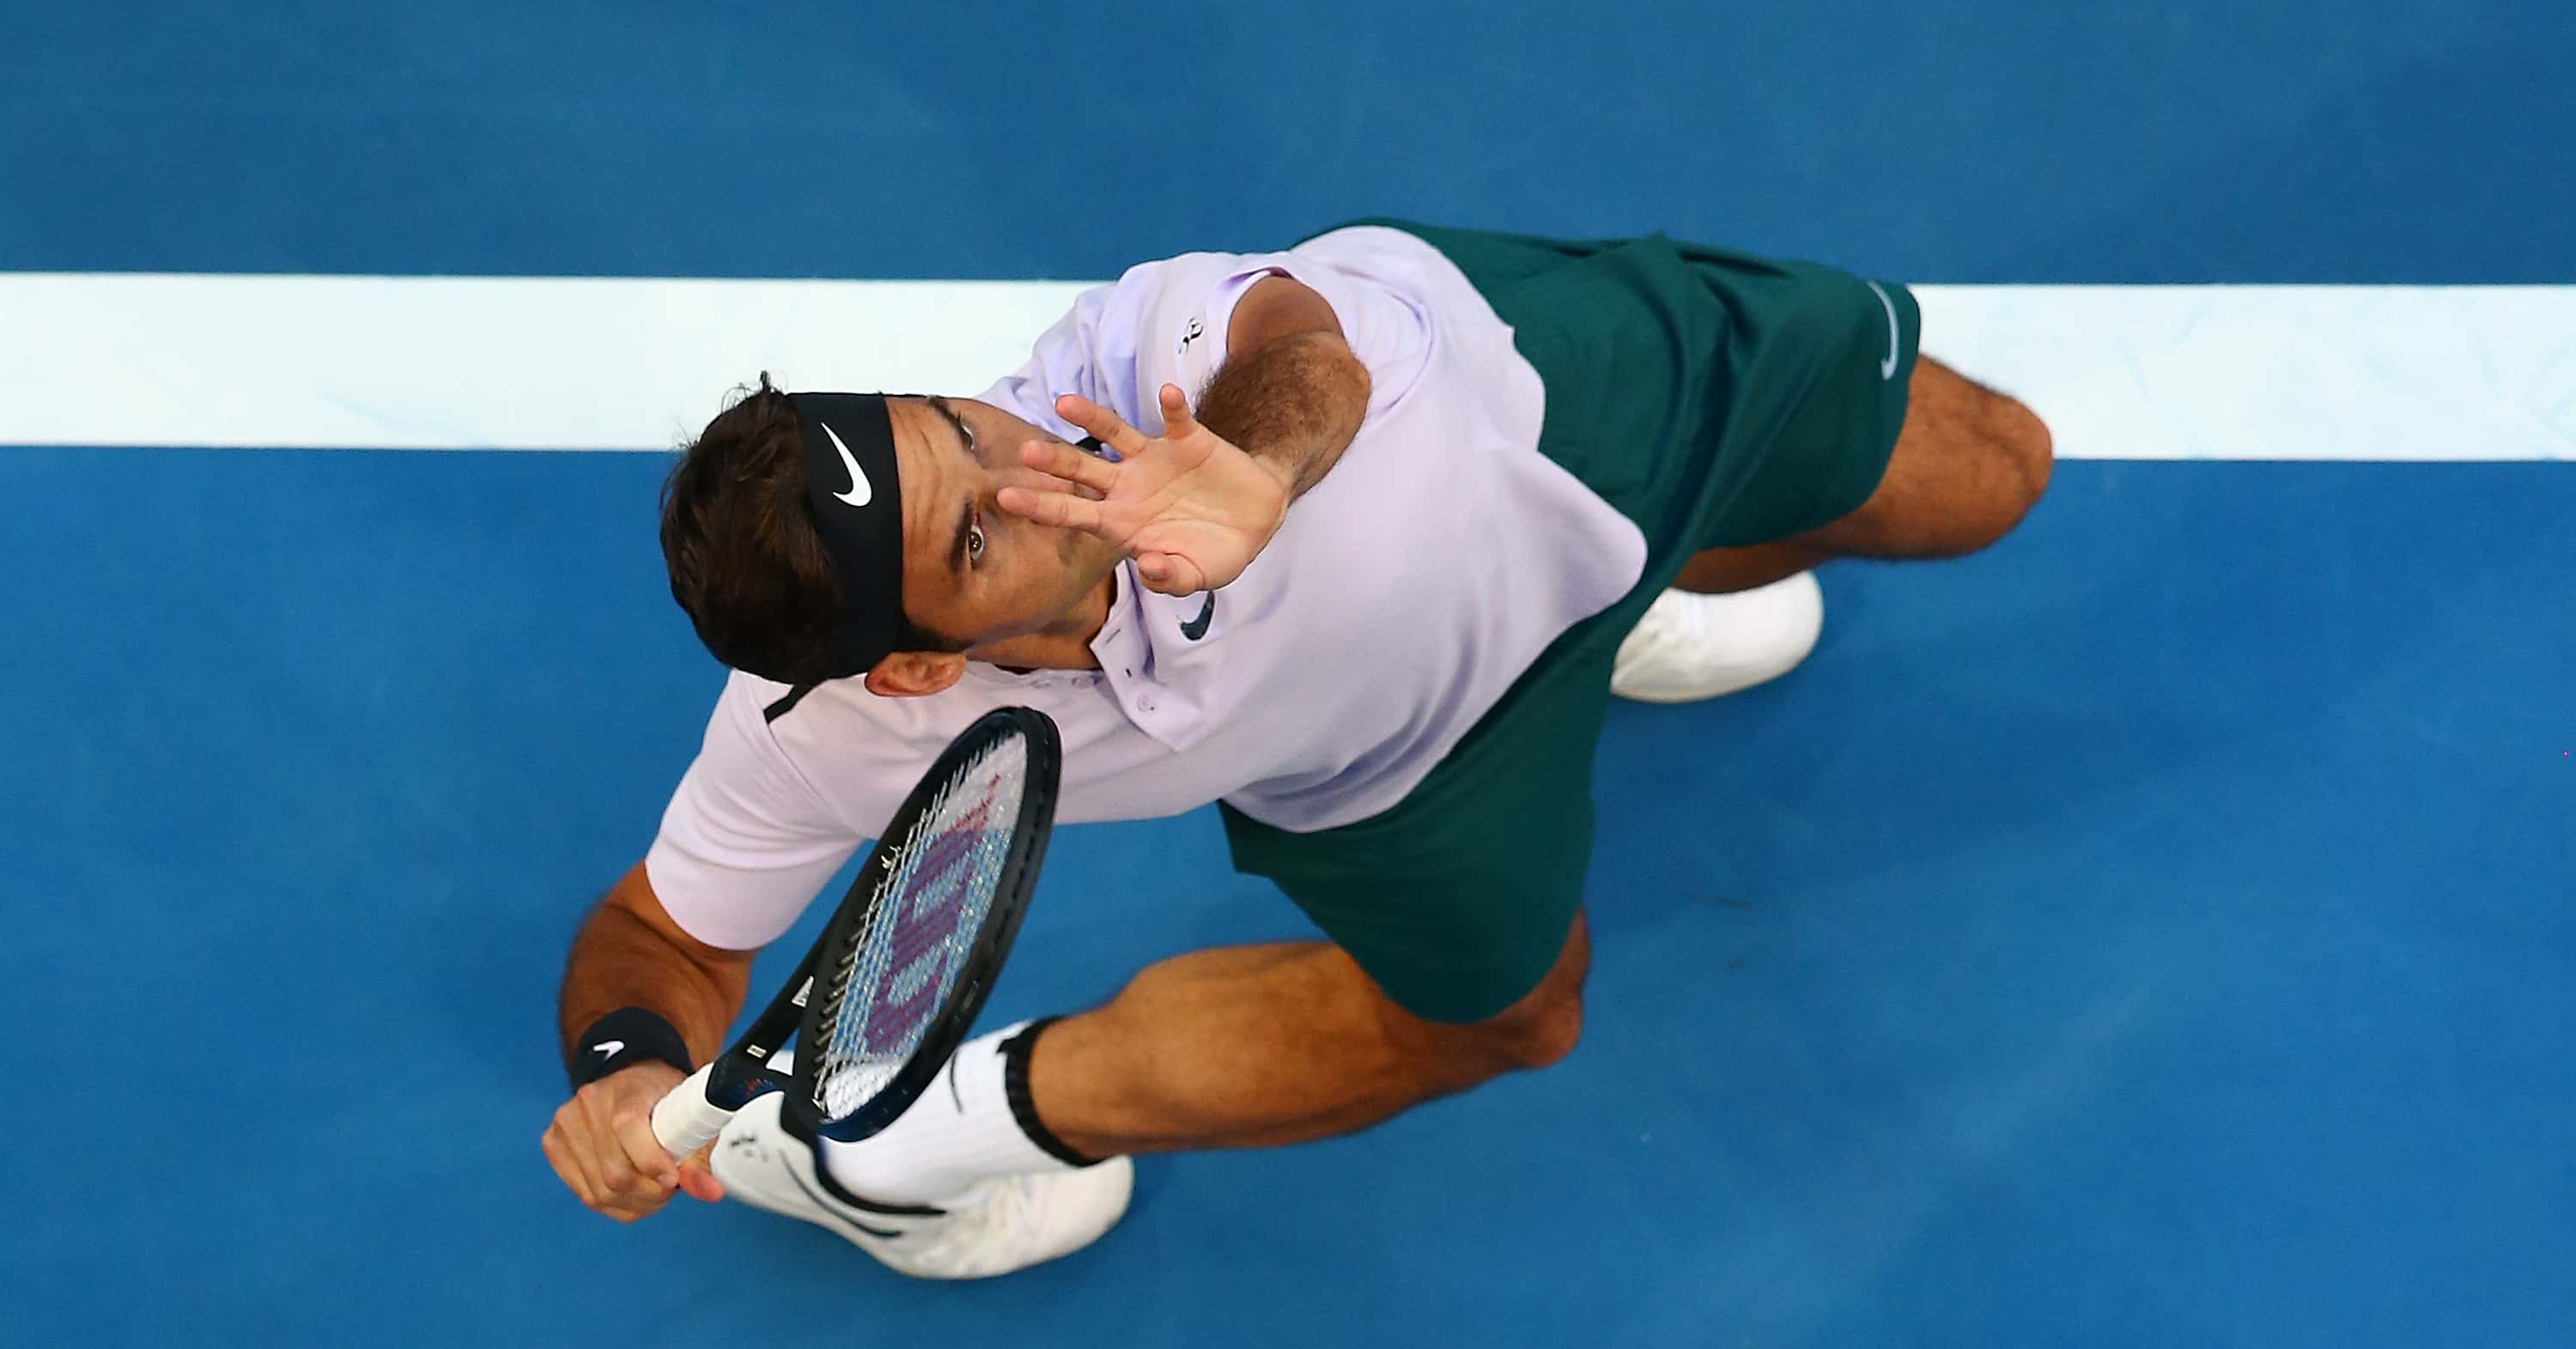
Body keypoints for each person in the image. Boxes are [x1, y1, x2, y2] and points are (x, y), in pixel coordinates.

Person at [539, 218, 2051, 1278]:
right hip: (1400, 759)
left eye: (964, 426)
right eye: (979, 528)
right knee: (1510, 1020)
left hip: (1576, 424)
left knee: (1992, 479)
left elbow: (1301, 350)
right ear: (920, 662)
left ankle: (1616, 596)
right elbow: (655, 934)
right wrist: (624, 1066)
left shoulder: (1139, 355)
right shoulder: (830, 738)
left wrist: (1254, 465)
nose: (1037, 465)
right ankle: (907, 1154)